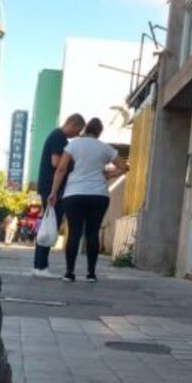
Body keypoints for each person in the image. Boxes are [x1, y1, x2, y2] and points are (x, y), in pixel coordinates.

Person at [50, 117, 129, 282]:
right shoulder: (105, 148)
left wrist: (54, 191)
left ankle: (69, 273)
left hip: (74, 194)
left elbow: (61, 169)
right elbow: (124, 167)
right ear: (100, 132)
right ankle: (91, 274)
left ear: (86, 129)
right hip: (98, 195)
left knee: (74, 233)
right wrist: (108, 175)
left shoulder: (73, 145)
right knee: (92, 233)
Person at [33, 113, 86, 278]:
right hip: (51, 187)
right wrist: (73, 164)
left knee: (50, 225)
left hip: (49, 187)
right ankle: (40, 266)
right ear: (71, 123)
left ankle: (40, 265)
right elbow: (56, 163)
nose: (76, 135)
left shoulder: (58, 136)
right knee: (49, 226)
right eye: (77, 130)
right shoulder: (59, 137)